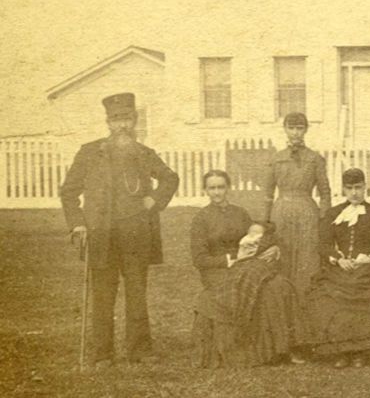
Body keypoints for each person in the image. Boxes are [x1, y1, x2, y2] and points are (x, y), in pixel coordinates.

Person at [59, 92, 180, 367]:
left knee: (136, 293)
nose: (122, 125)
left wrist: (155, 199)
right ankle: (102, 353)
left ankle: (140, 350)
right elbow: (69, 192)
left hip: (136, 235)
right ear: (108, 123)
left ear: (134, 121)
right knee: (102, 295)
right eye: (116, 120)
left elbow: (170, 178)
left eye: (127, 119)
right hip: (101, 235)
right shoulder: (89, 152)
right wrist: (78, 223)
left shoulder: (143, 154)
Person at [191, 170, 310, 368]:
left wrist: (273, 248)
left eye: (221, 187)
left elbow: (258, 237)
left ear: (228, 188)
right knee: (263, 290)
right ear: (205, 190)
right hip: (219, 271)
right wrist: (231, 259)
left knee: (279, 285)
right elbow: (200, 260)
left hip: (246, 266)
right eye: (212, 188)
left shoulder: (240, 213)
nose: (217, 192)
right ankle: (267, 351)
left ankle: (285, 347)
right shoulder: (200, 219)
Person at [307, 168, 370, 368]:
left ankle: (360, 351)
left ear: (365, 187)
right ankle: (341, 351)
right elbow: (323, 245)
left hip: (367, 267)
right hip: (340, 267)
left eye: (358, 188)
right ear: (343, 189)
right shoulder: (333, 213)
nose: (354, 193)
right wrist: (338, 259)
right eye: (349, 188)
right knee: (328, 298)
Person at [262, 112, 331, 297]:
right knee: (282, 254)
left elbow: (325, 193)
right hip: (281, 212)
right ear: (285, 129)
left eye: (299, 128)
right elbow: (268, 193)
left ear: (306, 130)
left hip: (307, 212)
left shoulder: (315, 159)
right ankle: (282, 300)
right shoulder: (276, 158)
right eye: (291, 128)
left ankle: (305, 298)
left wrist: (324, 218)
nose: (295, 132)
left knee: (306, 256)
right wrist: (265, 221)